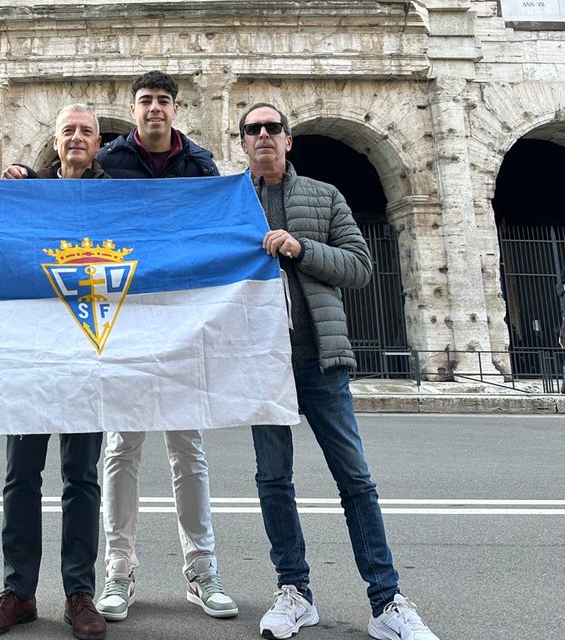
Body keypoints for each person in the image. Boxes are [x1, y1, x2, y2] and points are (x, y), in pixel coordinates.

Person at [239, 102, 439, 640]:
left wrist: (301, 249)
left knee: (356, 482)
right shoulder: (230, 202)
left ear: (288, 140)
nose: (263, 135)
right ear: (242, 144)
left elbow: (359, 268)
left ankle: (387, 600)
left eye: (272, 128)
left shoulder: (325, 196)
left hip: (322, 360)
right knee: (273, 482)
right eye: (252, 129)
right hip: (264, 366)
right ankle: (294, 592)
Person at [94, 71, 238, 622]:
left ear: (176, 110)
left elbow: (221, 226)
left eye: (163, 101)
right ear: (133, 110)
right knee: (121, 446)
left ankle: (202, 570)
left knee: (188, 448)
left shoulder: (200, 164)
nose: (155, 109)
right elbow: (66, 202)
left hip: (181, 316)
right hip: (126, 314)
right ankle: (119, 571)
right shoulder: (110, 162)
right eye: (146, 101)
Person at [0, 105, 108, 640]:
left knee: (82, 476)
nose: (77, 138)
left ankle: (80, 592)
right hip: (31, 349)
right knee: (20, 475)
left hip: (89, 346)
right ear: (54, 143)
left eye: (86, 132)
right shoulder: (25, 193)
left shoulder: (117, 194)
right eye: (68, 131)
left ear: (99, 144)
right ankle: (19, 592)